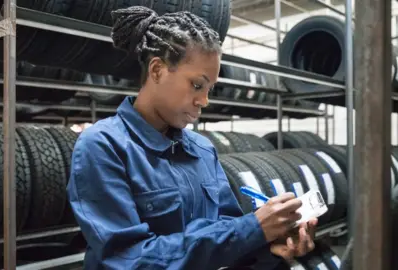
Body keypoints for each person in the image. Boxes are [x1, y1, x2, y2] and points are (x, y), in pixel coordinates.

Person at [67, 6, 317, 270]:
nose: (204, 101)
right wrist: (251, 230)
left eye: (210, 89)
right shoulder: (103, 146)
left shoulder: (202, 149)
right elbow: (129, 259)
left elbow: (227, 239)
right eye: (197, 85)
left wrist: (269, 248)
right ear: (157, 70)